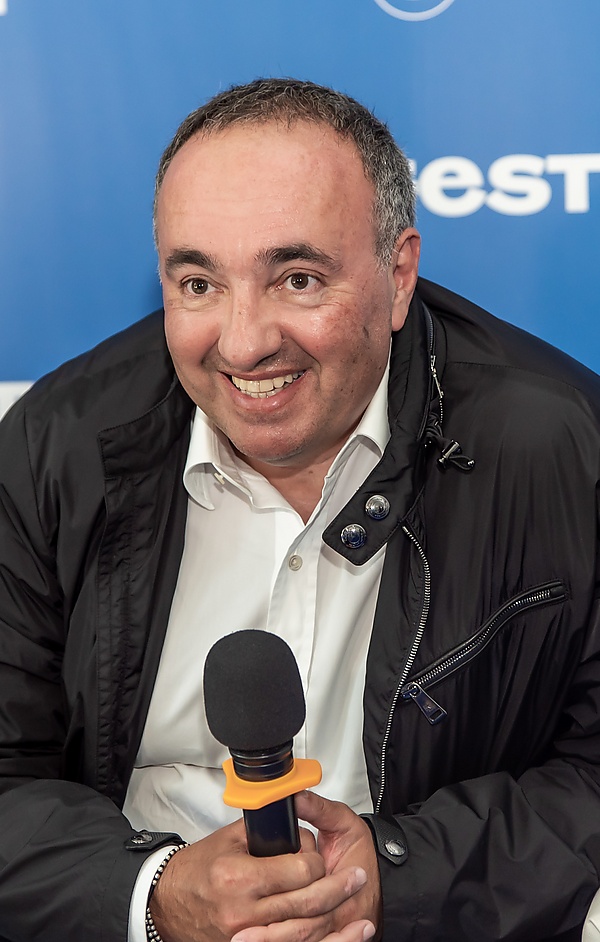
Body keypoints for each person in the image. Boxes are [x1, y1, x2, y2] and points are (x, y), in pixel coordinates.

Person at [0, 77, 599, 942]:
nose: (243, 343)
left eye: (298, 278)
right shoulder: (51, 449)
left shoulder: (562, 446)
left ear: (399, 275)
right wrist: (154, 894)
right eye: (198, 283)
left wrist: (397, 879)